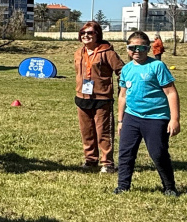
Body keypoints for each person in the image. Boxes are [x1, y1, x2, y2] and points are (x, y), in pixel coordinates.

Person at [115, 31, 181, 197]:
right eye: (132, 47)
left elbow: (171, 93)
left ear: (148, 48)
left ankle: (169, 187)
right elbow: (122, 96)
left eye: (142, 47)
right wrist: (120, 121)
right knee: (125, 153)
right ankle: (123, 186)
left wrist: (174, 119)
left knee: (158, 153)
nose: (137, 51)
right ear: (127, 49)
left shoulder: (157, 66)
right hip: (131, 117)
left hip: (156, 117)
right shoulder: (126, 69)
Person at [74, 21, 125, 173]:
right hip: (82, 97)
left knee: (103, 132)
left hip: (102, 98)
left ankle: (107, 163)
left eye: (90, 33)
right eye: (83, 33)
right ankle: (90, 160)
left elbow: (122, 71)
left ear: (97, 35)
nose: (86, 36)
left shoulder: (107, 52)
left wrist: (122, 90)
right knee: (87, 131)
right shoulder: (79, 52)